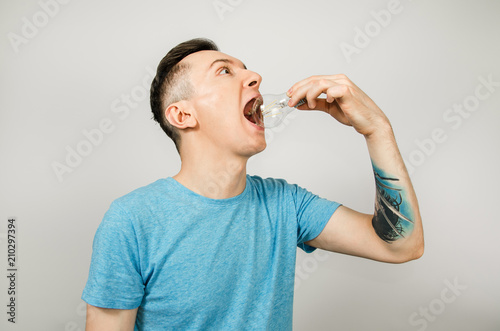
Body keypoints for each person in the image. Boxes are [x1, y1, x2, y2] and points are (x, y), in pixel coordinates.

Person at [82, 38, 424, 330]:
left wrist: (376, 129)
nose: (255, 77)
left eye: (246, 68)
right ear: (182, 115)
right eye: (224, 71)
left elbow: (400, 245)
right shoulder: (131, 220)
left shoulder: (285, 204)